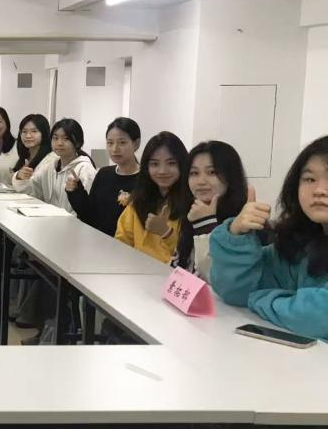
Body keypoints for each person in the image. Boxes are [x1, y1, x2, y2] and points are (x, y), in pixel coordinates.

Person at [210, 135, 328, 340]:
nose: (319, 190)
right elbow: (236, 292)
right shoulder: (300, 244)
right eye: (309, 179)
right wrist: (237, 234)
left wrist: (261, 299)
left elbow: (317, 317)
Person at [170, 141, 251, 281]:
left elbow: (217, 278)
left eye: (212, 172)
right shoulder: (193, 211)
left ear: (231, 176)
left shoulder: (243, 221)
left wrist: (205, 224)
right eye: (194, 173)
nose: (201, 181)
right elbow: (179, 267)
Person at [115, 131, 189, 263]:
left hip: (172, 275)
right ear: (146, 167)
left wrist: (166, 232)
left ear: (182, 165)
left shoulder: (192, 204)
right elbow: (121, 242)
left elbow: (192, 258)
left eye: (171, 163)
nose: (162, 171)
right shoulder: (138, 202)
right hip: (137, 271)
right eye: (155, 164)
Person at [67, 117, 141, 236]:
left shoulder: (145, 180)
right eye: (110, 143)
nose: (115, 149)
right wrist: (76, 191)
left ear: (136, 144)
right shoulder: (104, 174)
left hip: (126, 245)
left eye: (122, 142)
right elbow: (89, 215)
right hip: (99, 242)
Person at [22, 118, 96, 212]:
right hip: (50, 218)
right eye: (55, 138)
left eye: (66, 138)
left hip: (72, 221)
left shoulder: (85, 169)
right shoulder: (50, 166)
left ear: (78, 142)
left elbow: (89, 208)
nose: (59, 143)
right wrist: (21, 179)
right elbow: (32, 191)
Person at [10, 114, 56, 193]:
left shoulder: (52, 159)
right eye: (24, 131)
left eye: (34, 131)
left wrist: (20, 179)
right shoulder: (24, 157)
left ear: (44, 134)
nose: (28, 136)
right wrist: (18, 176)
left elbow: (37, 191)